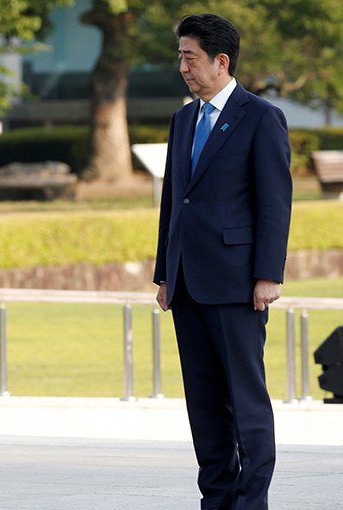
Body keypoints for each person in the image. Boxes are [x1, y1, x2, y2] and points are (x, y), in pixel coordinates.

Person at [153, 13, 292, 510]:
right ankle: (217, 500)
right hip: (187, 284)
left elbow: (274, 202)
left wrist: (268, 275)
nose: (182, 66)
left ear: (221, 60)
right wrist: (164, 274)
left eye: (189, 56)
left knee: (245, 403)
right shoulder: (183, 118)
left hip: (237, 285)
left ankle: (252, 502)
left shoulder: (261, 116)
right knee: (205, 405)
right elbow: (174, 201)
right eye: (180, 56)